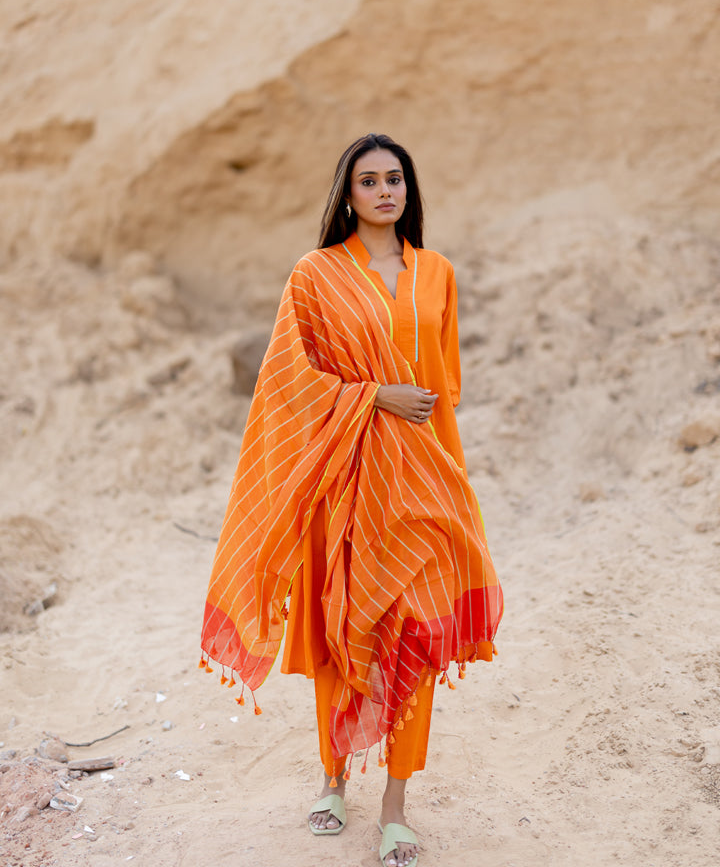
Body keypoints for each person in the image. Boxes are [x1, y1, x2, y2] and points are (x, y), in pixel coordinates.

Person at [200, 133, 503, 867]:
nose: (384, 191)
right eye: (368, 181)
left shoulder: (438, 275)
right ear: (346, 195)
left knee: (415, 637)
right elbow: (287, 384)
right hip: (344, 484)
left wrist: (448, 476)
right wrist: (374, 397)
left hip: (427, 484)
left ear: (409, 189)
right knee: (346, 630)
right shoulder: (316, 275)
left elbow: (445, 392)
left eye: (395, 178)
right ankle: (334, 780)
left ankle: (395, 807)